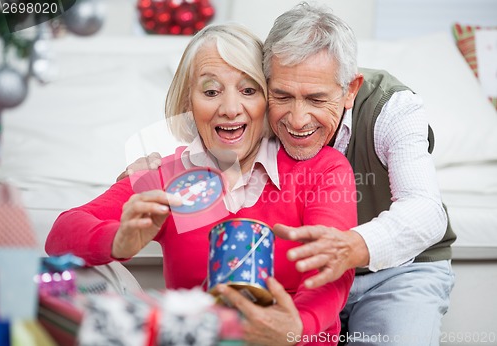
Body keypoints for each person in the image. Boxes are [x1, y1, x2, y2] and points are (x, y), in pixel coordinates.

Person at [122, 3, 457, 345]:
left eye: (316, 99)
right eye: (282, 95)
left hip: (395, 271)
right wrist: (148, 172)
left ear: (350, 90)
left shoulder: (394, 109)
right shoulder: (256, 112)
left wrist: (353, 246)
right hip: (307, 280)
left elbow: (426, 211)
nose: (297, 120)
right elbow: (215, 122)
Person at [45, 23, 357, 345]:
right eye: (211, 92)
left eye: (248, 91)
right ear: (187, 103)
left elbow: (334, 270)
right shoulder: (167, 177)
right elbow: (61, 234)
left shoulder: (323, 169)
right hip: (197, 338)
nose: (231, 109)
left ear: (268, 100)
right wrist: (118, 241)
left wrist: (296, 329)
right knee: (87, 272)